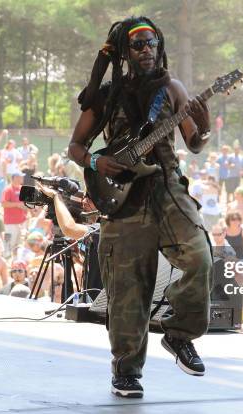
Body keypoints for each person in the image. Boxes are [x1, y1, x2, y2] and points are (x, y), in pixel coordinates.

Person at [67, 17, 213, 398]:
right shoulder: (106, 95)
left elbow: (195, 143)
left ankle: (180, 335)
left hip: (168, 189)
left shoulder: (172, 89)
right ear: (124, 53)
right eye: (138, 45)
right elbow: (76, 148)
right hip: (122, 199)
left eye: (151, 43)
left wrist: (205, 123)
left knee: (200, 258)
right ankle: (126, 371)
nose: (146, 50)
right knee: (129, 292)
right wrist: (97, 163)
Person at [1, 172, 27, 258]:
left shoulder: (22, 189)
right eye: (20, 177)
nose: (22, 178)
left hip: (22, 221)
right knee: (8, 244)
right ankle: (6, 261)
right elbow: (4, 204)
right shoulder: (8, 189)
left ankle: (15, 262)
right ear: (15, 178)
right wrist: (17, 205)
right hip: (10, 222)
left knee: (18, 244)